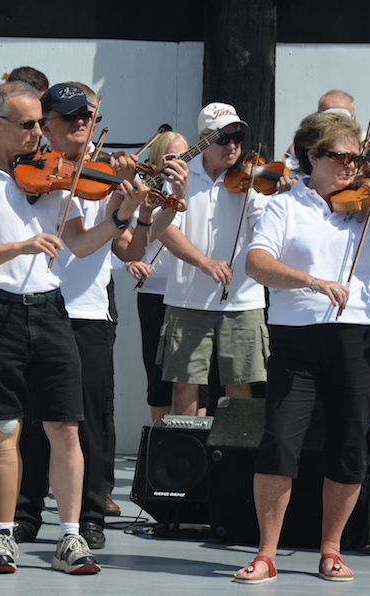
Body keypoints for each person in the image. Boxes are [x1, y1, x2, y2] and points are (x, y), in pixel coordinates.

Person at [234, 111, 370, 583]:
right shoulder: (284, 206)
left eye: (358, 159)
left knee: (349, 445)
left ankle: (330, 549)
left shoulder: (369, 208)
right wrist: (313, 282)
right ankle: (266, 553)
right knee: (279, 442)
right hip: (296, 338)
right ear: (313, 156)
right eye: (342, 158)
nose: (354, 167)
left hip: (358, 337)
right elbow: (256, 264)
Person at [0, 80, 148, 574]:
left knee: (66, 426)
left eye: (41, 123)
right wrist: (21, 246)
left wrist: (124, 213)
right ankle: (1, 534)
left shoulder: (57, 176)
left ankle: (70, 537)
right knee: (3, 428)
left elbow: (82, 243)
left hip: (52, 310)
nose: (40, 133)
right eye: (28, 125)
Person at [13, 81, 165, 550]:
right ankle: (26, 512)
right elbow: (66, 234)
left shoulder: (106, 174)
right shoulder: (29, 171)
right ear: (47, 126)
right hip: (35, 305)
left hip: (87, 312)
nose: (81, 122)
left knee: (89, 423)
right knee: (32, 420)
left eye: (87, 115)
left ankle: (91, 515)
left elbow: (129, 251)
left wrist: (133, 210)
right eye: (70, 116)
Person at [157, 102, 269, 416]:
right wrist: (205, 262)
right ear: (204, 139)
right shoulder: (180, 172)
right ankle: (187, 447)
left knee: (241, 384)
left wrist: (276, 194)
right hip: (187, 298)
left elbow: (264, 231)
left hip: (242, 300)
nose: (232, 145)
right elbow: (165, 230)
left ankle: (238, 448)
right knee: (184, 383)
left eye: (238, 138)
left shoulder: (251, 177)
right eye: (223, 138)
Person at [124, 131, 214, 423]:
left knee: (196, 375)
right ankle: (159, 440)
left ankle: (194, 439)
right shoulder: (145, 192)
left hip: (191, 292)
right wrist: (129, 262)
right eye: (172, 158)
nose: (178, 163)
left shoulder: (198, 188)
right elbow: (135, 237)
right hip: (155, 290)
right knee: (158, 375)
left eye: (185, 157)